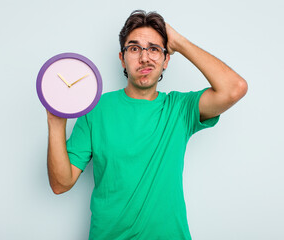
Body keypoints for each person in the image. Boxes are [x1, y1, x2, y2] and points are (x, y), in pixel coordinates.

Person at [46, 10, 247, 240]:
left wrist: (179, 42)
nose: (144, 58)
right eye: (134, 48)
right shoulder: (96, 108)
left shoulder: (179, 108)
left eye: (154, 49)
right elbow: (60, 184)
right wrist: (55, 121)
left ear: (166, 59)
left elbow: (235, 88)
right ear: (122, 58)